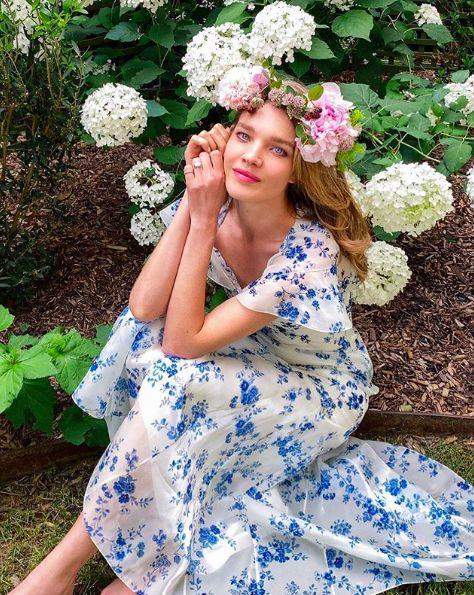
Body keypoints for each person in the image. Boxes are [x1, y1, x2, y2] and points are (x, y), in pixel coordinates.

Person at [10, 71, 473, 595]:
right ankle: (85, 558)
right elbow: (143, 307)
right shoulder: (220, 202)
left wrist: (204, 217)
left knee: (175, 374)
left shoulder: (309, 251)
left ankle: (70, 568)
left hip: (319, 389)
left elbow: (183, 345)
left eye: (277, 150)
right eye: (245, 136)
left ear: (299, 169)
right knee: (141, 336)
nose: (251, 157)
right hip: (252, 353)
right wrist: (194, 202)